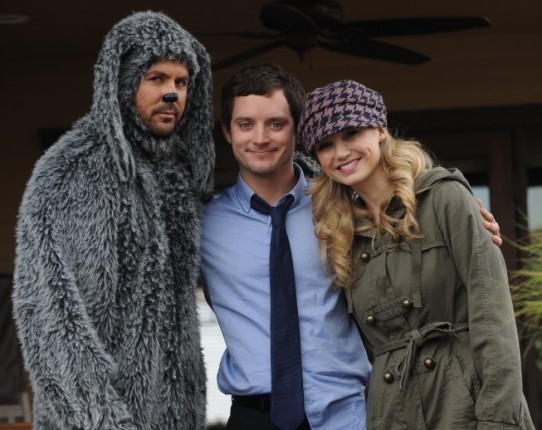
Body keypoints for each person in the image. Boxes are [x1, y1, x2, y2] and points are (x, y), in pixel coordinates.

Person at [200, 63, 502, 430]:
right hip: (253, 416)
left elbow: (415, 246)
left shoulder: (345, 208)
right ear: (227, 131)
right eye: (245, 124)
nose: (260, 138)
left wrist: (466, 217)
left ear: (298, 131)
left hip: (350, 414)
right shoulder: (200, 226)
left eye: (276, 124)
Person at [12, 11, 214, 430]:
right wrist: (100, 417)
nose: (173, 93)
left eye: (181, 82)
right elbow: (50, 312)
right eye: (157, 78)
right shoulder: (72, 169)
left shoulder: (178, 172)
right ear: (123, 81)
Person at [297, 79, 534, 429]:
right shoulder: (341, 234)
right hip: (392, 411)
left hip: (465, 401)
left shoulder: (444, 198)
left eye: (351, 133)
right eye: (325, 145)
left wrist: (499, 419)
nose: (341, 152)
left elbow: (492, 314)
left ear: (380, 129)